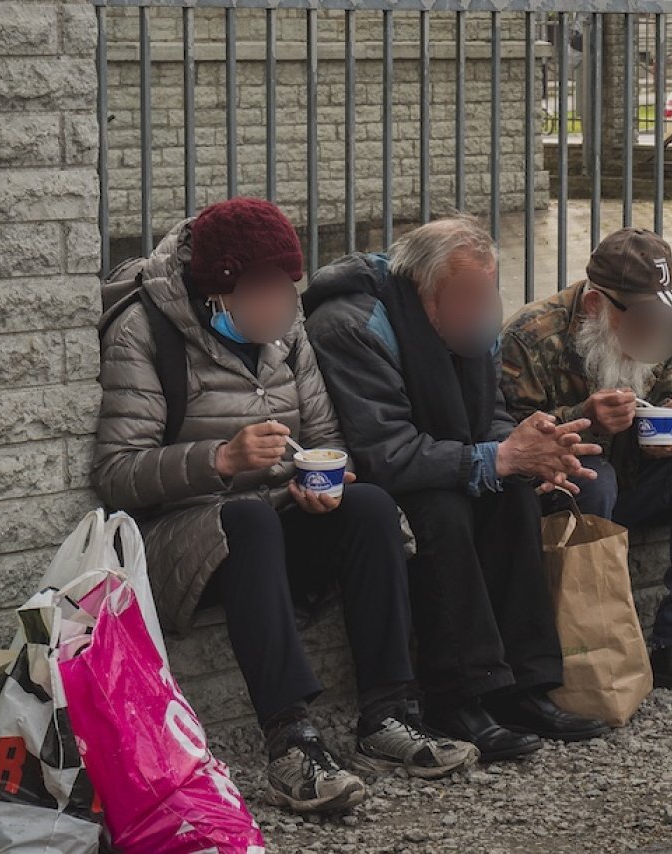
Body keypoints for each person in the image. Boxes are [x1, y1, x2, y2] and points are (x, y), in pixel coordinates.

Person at [92, 198, 475, 816]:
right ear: (220, 291)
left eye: (287, 287)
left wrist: (323, 480)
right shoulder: (146, 330)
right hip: (177, 537)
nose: (282, 303)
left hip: (269, 521)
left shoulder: (286, 332)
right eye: (264, 289)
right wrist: (219, 459)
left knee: (370, 506)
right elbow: (116, 473)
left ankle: (388, 715)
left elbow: (326, 439)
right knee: (248, 520)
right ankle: (291, 742)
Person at [303, 215, 610, 764]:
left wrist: (531, 450)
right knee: (440, 509)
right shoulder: (353, 324)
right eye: (468, 294)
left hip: (444, 465)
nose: (484, 308)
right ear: (425, 290)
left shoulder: (472, 325)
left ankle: (524, 685)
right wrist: (497, 456)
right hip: (376, 487)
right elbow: (385, 453)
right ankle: (458, 694)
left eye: (488, 291)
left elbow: (490, 421)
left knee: (514, 491)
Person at [501, 228, 672, 696]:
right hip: (560, 500)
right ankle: (586, 646)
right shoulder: (530, 337)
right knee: (595, 476)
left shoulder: (657, 334)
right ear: (598, 305)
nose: (654, 328)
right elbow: (510, 438)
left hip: (637, 481)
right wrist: (585, 418)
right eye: (642, 317)